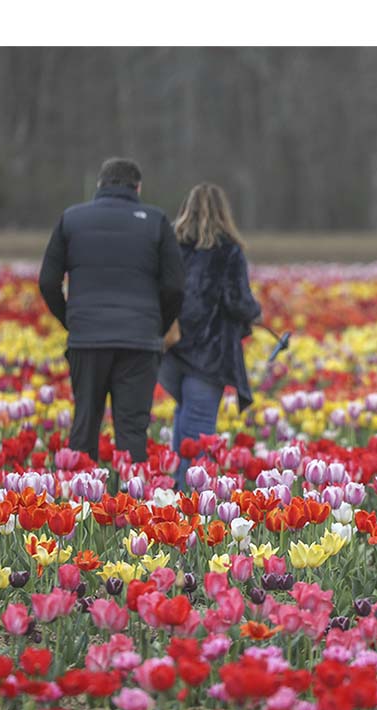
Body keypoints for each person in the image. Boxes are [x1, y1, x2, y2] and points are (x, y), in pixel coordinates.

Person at [38, 157, 185, 466]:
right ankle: (131, 506)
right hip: (139, 342)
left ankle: (81, 505)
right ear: (138, 187)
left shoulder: (71, 219)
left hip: (87, 339)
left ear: (99, 185)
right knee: (132, 429)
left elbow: (48, 282)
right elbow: (175, 286)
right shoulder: (156, 221)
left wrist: (71, 320)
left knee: (85, 425)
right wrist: (157, 325)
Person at [161, 182, 262, 488]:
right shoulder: (228, 251)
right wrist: (255, 312)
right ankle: (192, 500)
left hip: (171, 348)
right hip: (210, 353)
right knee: (201, 427)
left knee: (184, 417)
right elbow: (238, 301)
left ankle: (177, 496)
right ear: (223, 213)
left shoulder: (170, 247)